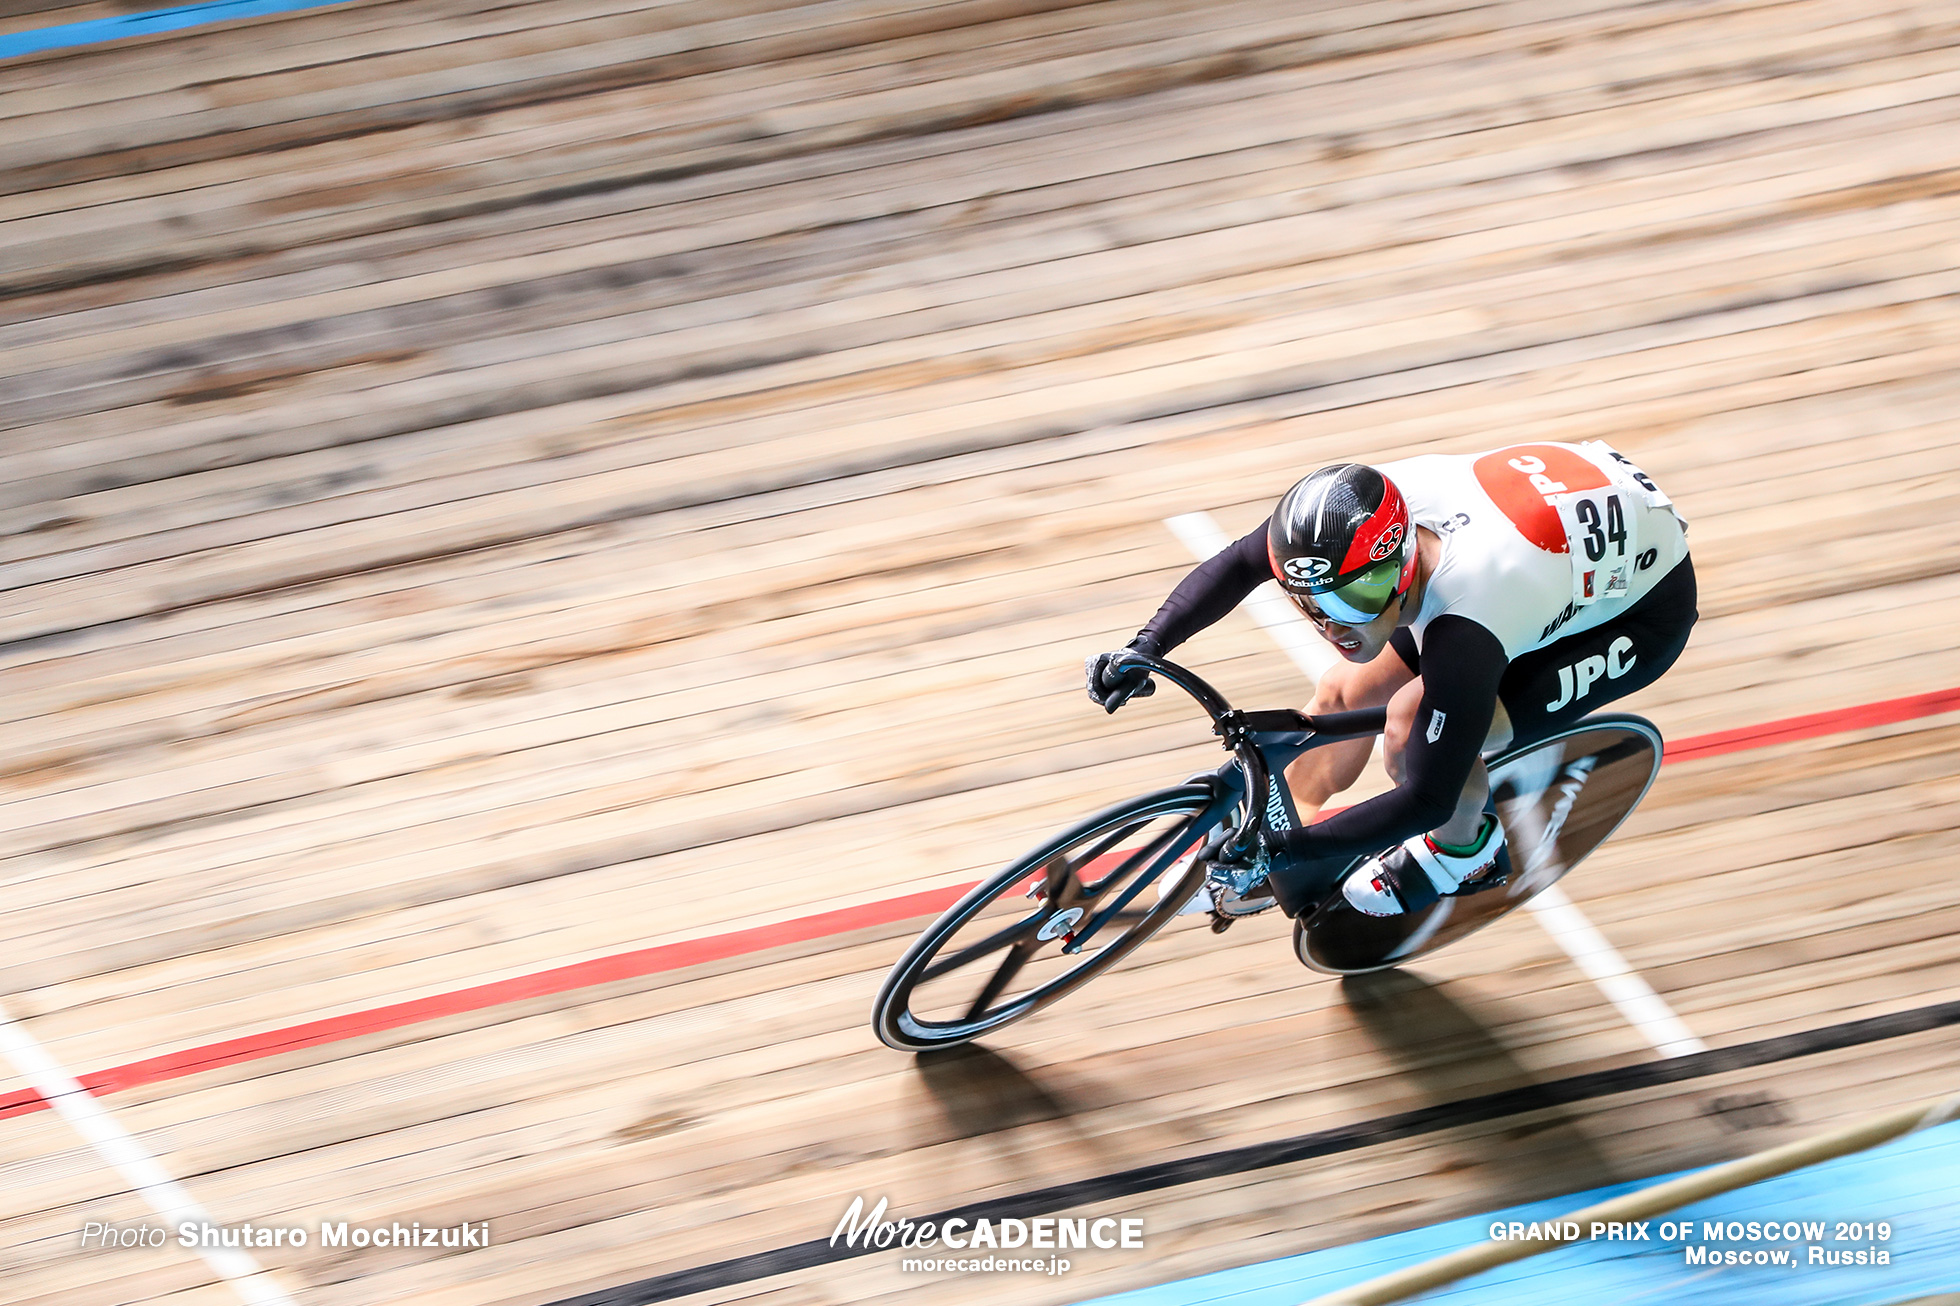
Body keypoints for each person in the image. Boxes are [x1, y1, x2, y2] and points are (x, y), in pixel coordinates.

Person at [1085, 441, 1696, 920]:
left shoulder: (1469, 619)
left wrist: (1282, 854)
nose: (1332, 623)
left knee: (1411, 730)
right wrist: (1145, 646)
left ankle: (1468, 852)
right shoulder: (1347, 516)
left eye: (1354, 600)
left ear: (1401, 565)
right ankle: (1285, 827)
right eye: (1312, 603)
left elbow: (1427, 797)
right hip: (1543, 545)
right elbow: (1240, 565)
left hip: (1635, 612)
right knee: (1342, 692)